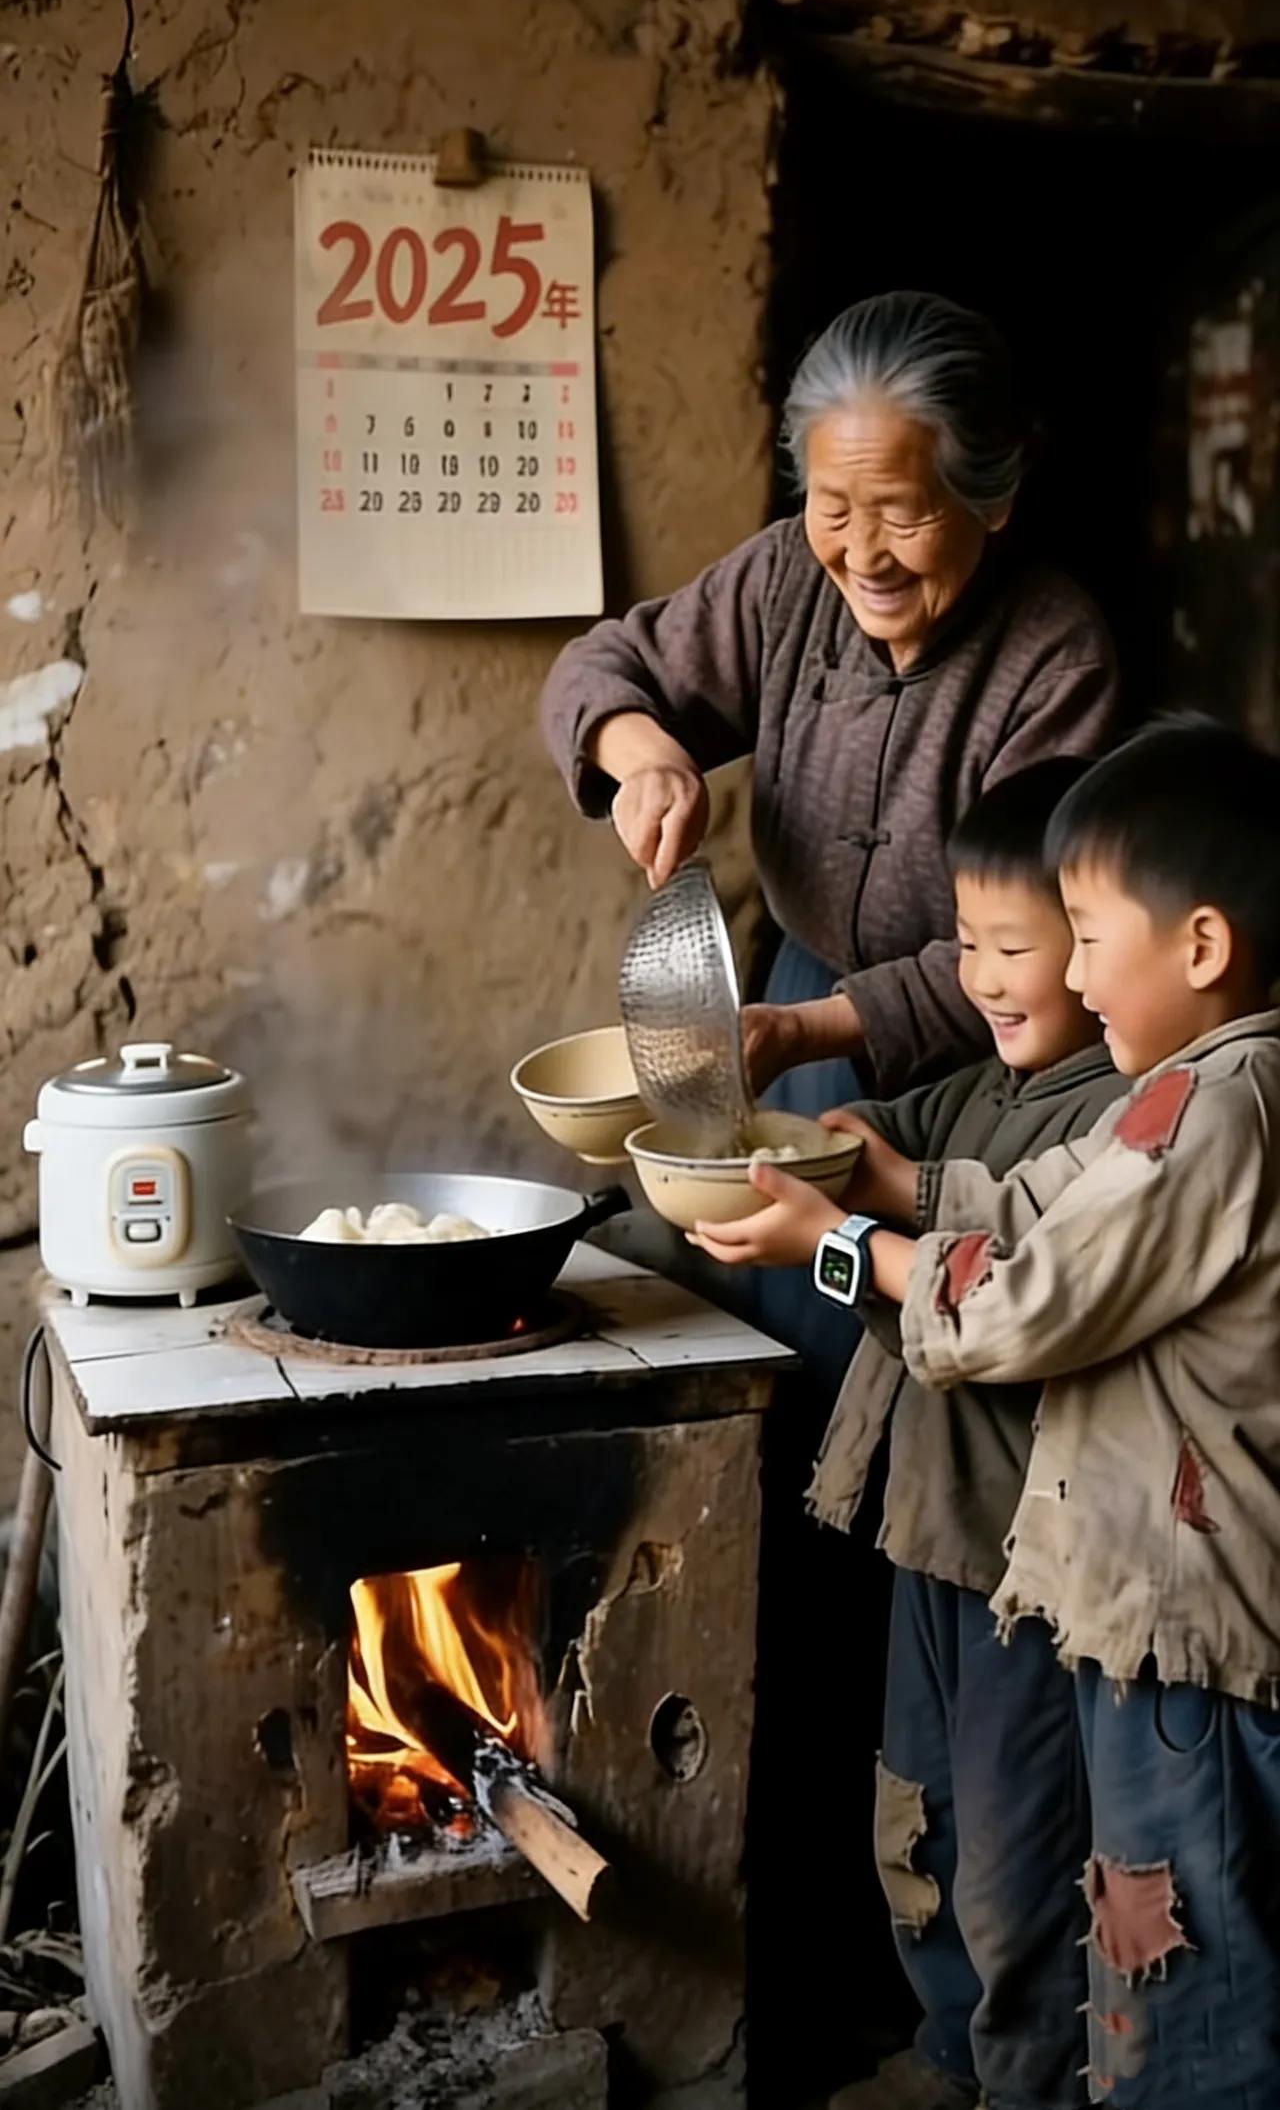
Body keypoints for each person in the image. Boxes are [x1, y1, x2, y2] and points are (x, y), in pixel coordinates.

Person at [714, 719, 1280, 2110]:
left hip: (1185, 1634)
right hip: (1142, 1613)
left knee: (1177, 1978)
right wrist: (890, 1183)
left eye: (1085, 936)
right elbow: (1043, 1200)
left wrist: (833, 1251)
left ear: (1199, 945)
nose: (1073, 973)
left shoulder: (1217, 1110)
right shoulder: (1185, 1094)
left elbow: (1022, 1301)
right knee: (1143, 1933)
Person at [692, 759, 1128, 2110]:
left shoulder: (1119, 1115)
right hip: (927, 1531)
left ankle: (1027, 2077)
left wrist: (839, 1236)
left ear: (1107, 945)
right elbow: (885, 1135)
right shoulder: (983, 1080)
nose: (983, 977)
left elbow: (992, 1253)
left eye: (1016, 948)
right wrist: (800, 1146)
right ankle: (947, 2050)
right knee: (916, 1817)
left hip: (1025, 1568)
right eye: (968, 944)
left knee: (1017, 1854)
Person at [542, 288, 1120, 1121]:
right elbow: (596, 667)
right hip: (800, 989)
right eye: (834, 508)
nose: (863, 555)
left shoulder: (1056, 656)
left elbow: (1040, 939)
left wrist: (807, 1031)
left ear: (991, 498)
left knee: (932, 1243)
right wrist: (649, 759)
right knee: (782, 1231)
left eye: (901, 512)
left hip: (993, 1039)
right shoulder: (784, 580)